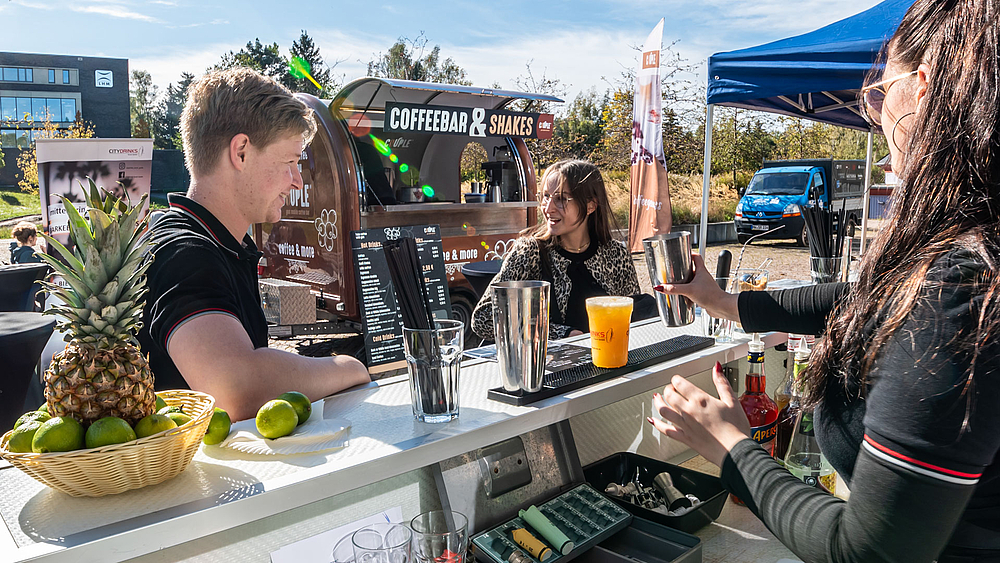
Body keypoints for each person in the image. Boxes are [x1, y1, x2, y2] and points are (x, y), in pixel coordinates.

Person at [648, 2, 1000, 561]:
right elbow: (856, 300)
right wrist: (721, 301)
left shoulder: (961, 287)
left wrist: (731, 449)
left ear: (925, 91)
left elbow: (870, 551)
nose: (875, 116)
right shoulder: (968, 251)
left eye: (881, 95)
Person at [138, 68, 370, 421]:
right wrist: (350, 366)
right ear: (241, 152)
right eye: (290, 162)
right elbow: (235, 388)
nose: (296, 180)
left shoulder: (217, 244)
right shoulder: (183, 251)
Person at [471, 159, 645, 340]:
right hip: (549, 367)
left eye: (561, 199)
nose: (548, 208)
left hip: (608, 363)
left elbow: (636, 319)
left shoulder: (616, 255)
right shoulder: (529, 252)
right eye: (546, 196)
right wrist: (560, 334)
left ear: (591, 206)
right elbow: (484, 319)